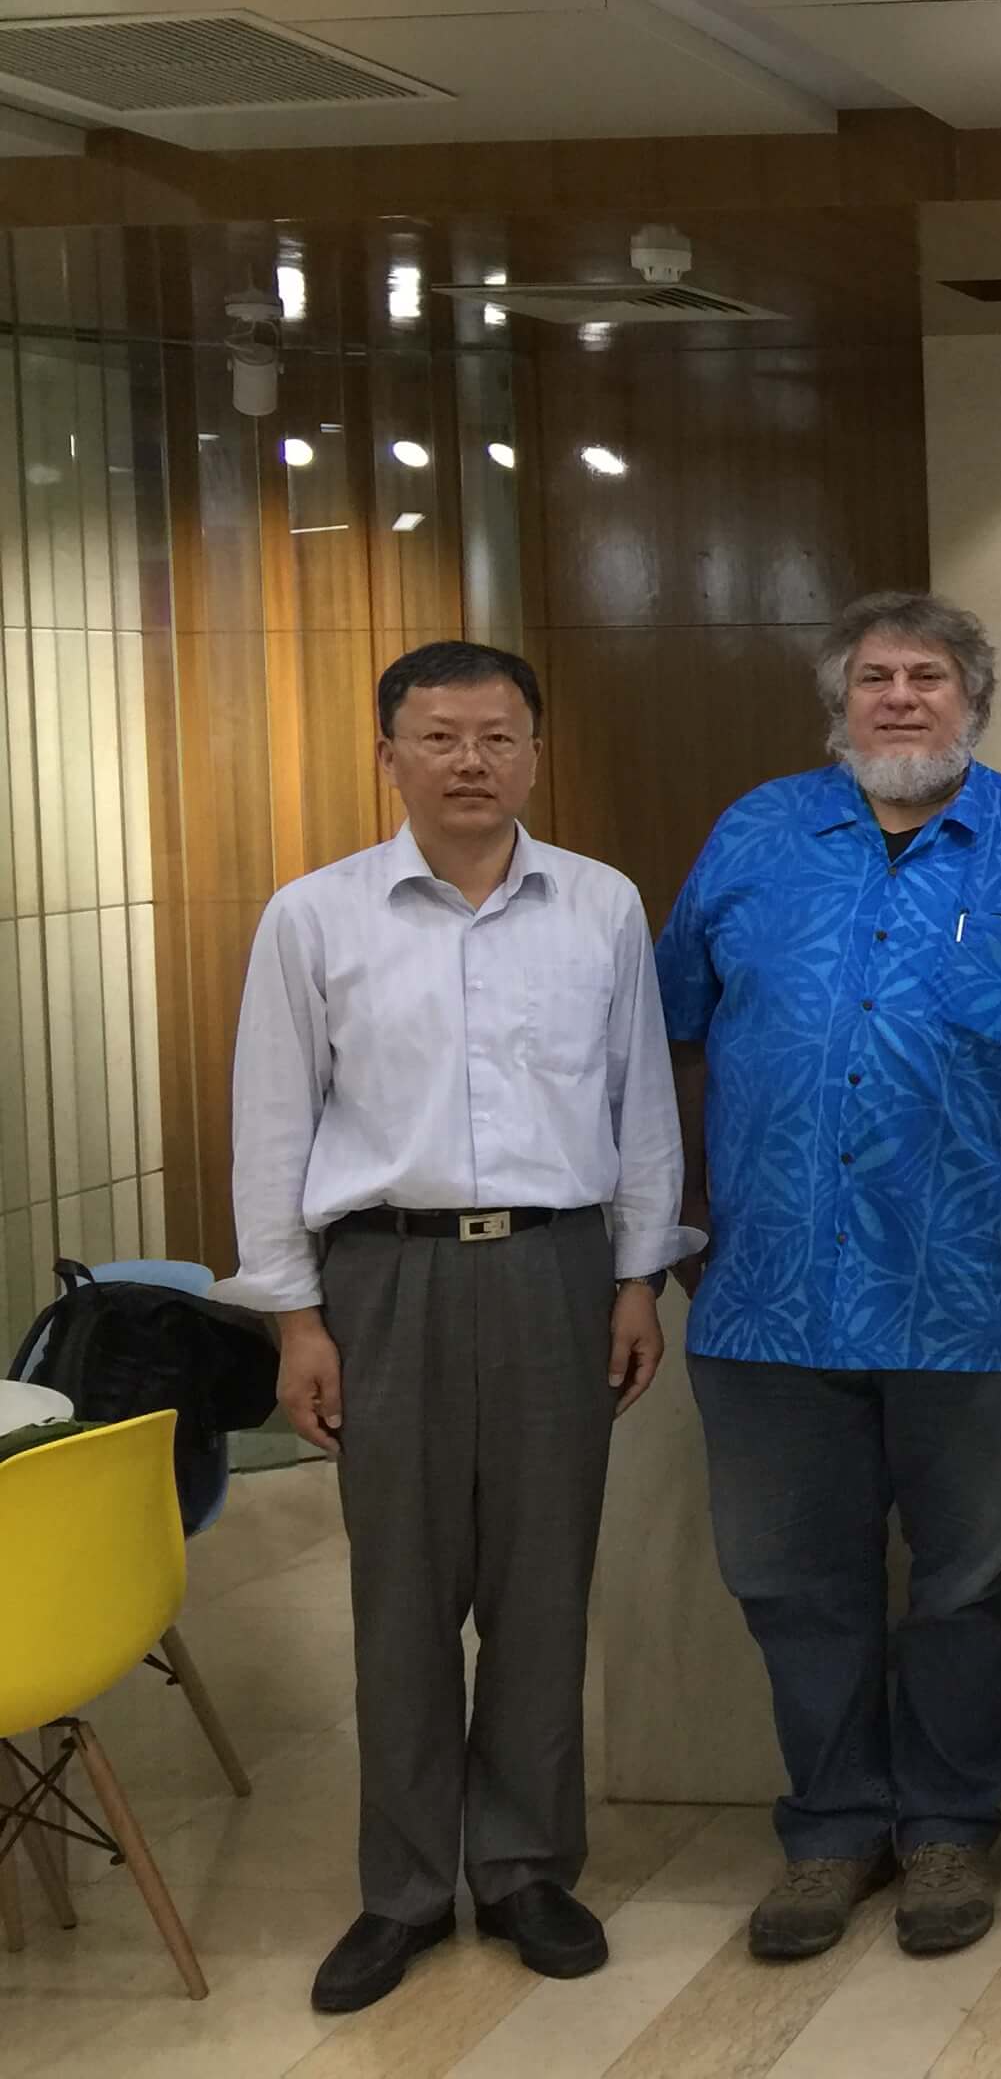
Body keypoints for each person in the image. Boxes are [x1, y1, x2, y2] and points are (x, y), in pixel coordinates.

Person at [231, 641, 692, 2014]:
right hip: (385, 1280)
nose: (471, 762)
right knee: (401, 1598)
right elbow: (272, 1126)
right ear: (390, 758)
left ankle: (530, 1868)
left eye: (497, 736)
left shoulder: (600, 908)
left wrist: (635, 1278)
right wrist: (292, 1319)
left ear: (536, 753)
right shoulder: (313, 919)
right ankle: (404, 1889)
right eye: (439, 737)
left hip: (557, 1269)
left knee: (546, 1588)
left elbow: (641, 1111)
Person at [656, 591, 1001, 1965]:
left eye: (927, 678)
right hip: (774, 1297)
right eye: (873, 679)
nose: (899, 699)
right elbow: (652, 1034)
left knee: (969, 1587)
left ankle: (952, 1826)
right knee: (796, 1582)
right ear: (837, 704)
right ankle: (834, 1828)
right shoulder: (754, 838)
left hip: (981, 1293)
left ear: (974, 701)